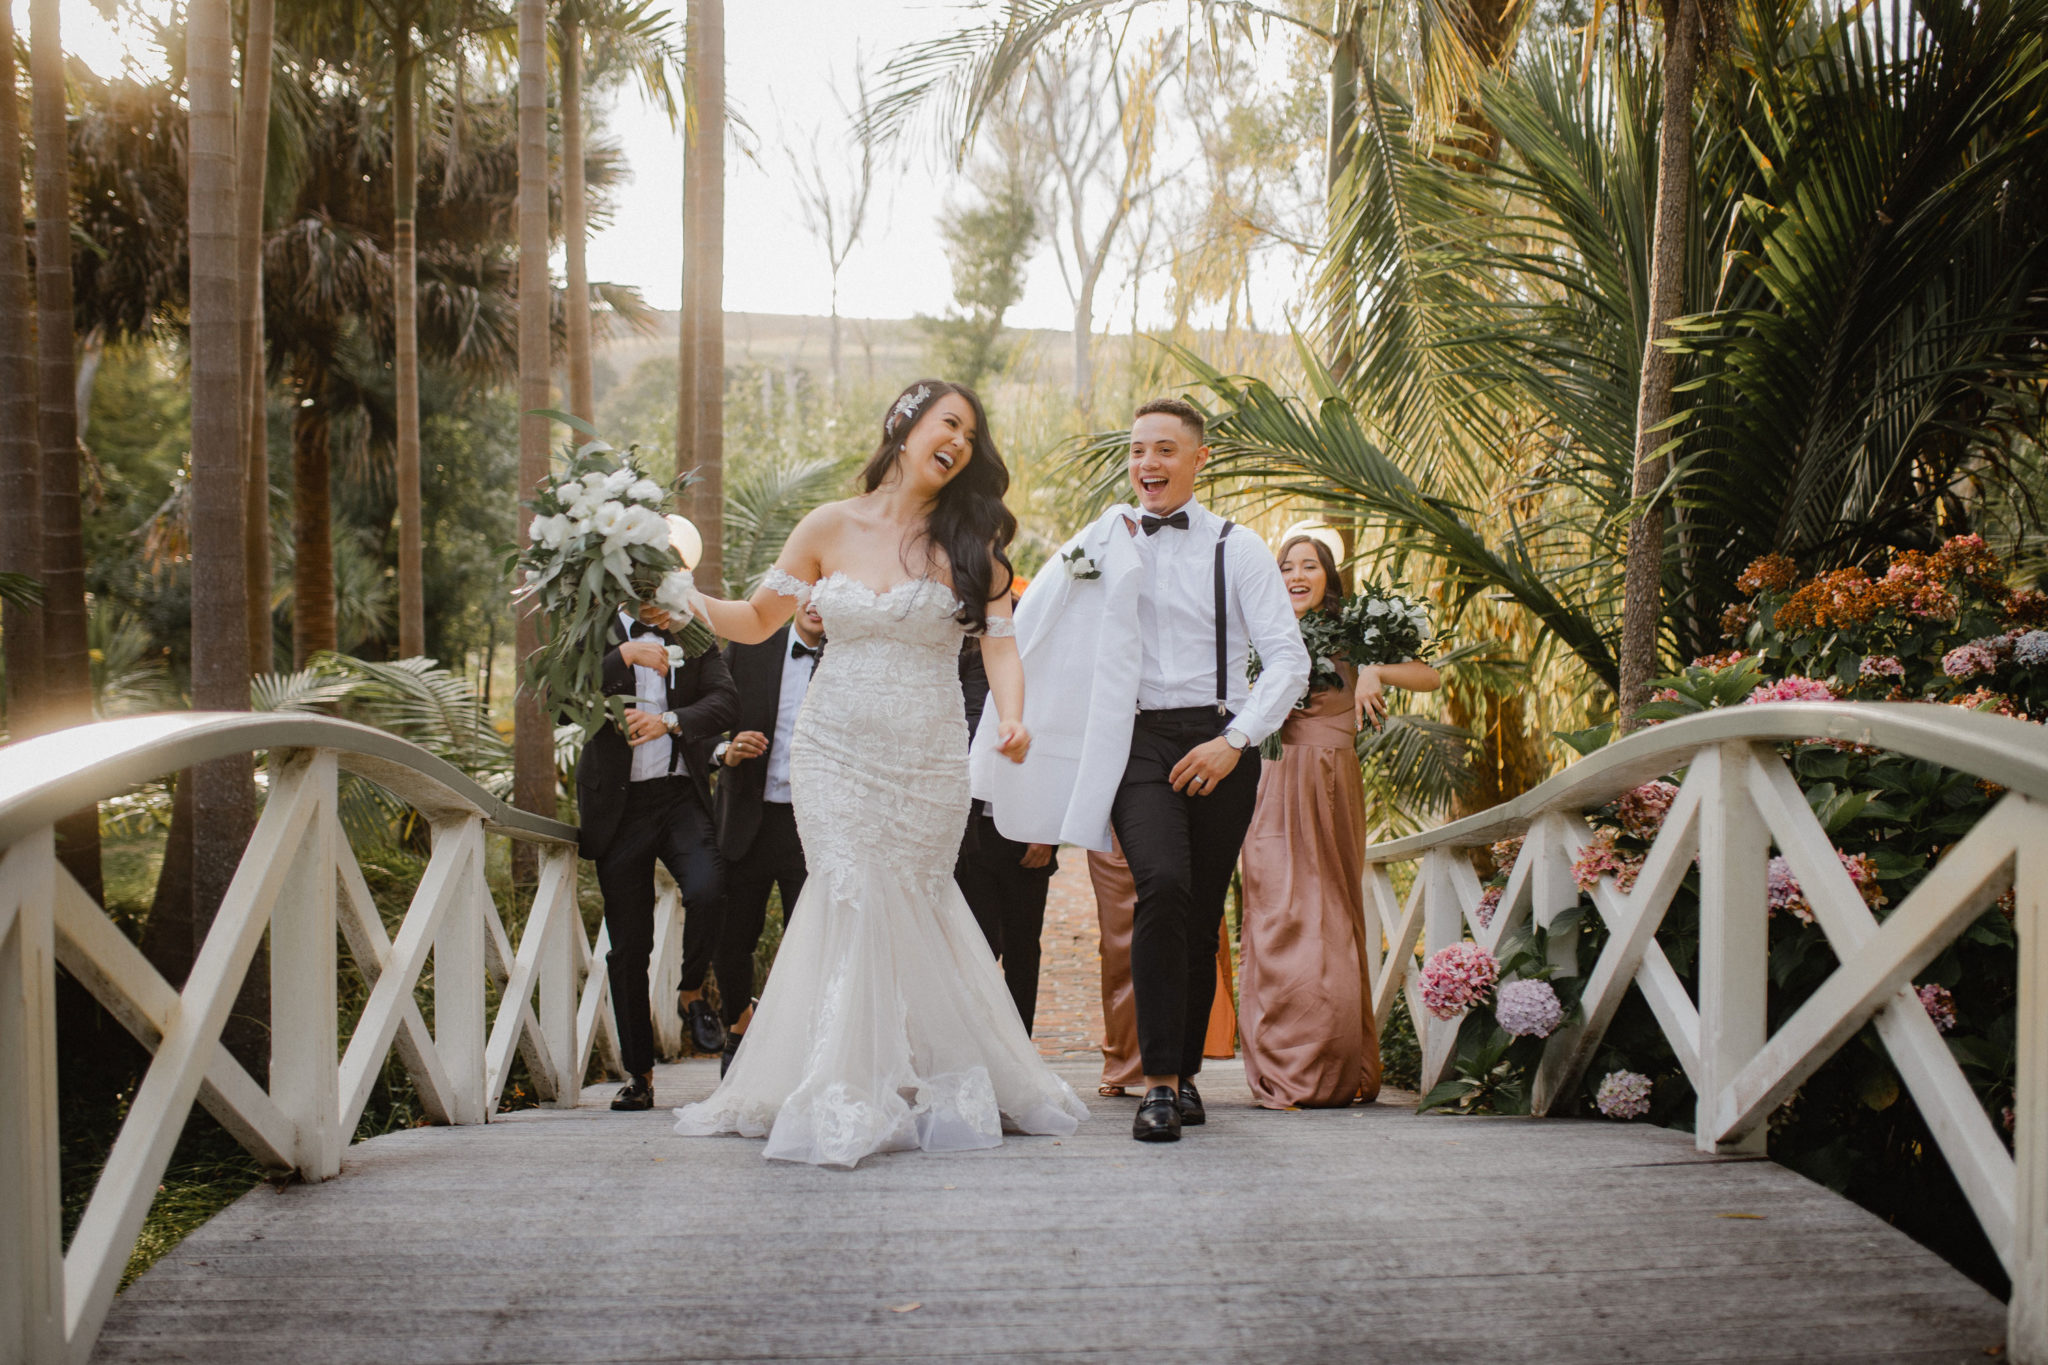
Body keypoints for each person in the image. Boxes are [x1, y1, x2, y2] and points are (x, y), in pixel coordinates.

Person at [672, 379, 1088, 1167]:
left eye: (971, 434)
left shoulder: (973, 544)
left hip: (928, 752)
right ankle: (840, 1080)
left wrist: (1011, 715)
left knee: (913, 896)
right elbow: (755, 619)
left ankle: (904, 1073)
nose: (960, 442)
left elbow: (1000, 643)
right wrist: (685, 596)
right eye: (949, 423)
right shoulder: (828, 525)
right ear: (904, 427)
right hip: (834, 749)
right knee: (849, 887)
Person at [972, 396, 1310, 1143]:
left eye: (1163, 449)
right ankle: (1159, 1081)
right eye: (1137, 451)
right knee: (1159, 883)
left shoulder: (1239, 547)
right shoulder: (1102, 538)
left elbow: (1290, 659)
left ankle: (1184, 1069)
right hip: (1135, 743)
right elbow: (1038, 623)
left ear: (1199, 459)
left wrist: (1237, 740)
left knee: (1198, 908)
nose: (1146, 464)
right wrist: (1013, 719)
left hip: (1222, 736)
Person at [1238, 532, 1441, 1109]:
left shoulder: (1355, 631)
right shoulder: (1260, 631)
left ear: (1329, 576)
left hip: (1328, 781)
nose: (1296, 575)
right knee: (1275, 910)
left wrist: (1375, 670)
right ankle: (1282, 1065)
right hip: (1271, 779)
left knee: (1325, 915)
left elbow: (1430, 675)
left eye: (1310, 566)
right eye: (1285, 567)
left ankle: (1329, 1066)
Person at [574, 602, 738, 1111]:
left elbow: (725, 703)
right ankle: (639, 1075)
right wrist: (621, 654)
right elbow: (562, 702)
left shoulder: (692, 636)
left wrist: (669, 721)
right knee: (629, 949)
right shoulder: (591, 631)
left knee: (710, 889)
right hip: (617, 809)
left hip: (678, 797)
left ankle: (690, 990)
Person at [706, 589, 826, 1076]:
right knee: (731, 937)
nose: (819, 603)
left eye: (831, 595)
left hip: (817, 826)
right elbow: (707, 716)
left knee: (816, 940)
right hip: (748, 819)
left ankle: (805, 1046)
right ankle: (739, 1024)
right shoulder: (749, 649)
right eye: (811, 593)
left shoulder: (855, 663)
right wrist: (724, 750)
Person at [953, 634, 1058, 1032]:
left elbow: (1052, 747)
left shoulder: (1041, 663)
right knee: (975, 946)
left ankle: (1021, 1050)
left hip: (1028, 830)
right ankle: (977, 1049)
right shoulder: (961, 661)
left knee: (1022, 947)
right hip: (968, 828)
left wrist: (1046, 827)